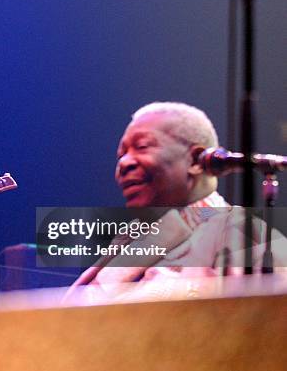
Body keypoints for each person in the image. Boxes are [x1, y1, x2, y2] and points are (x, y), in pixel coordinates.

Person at [65, 102, 286, 302]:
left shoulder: (242, 232)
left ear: (196, 161)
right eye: (121, 155)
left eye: (141, 147)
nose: (124, 163)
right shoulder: (131, 239)